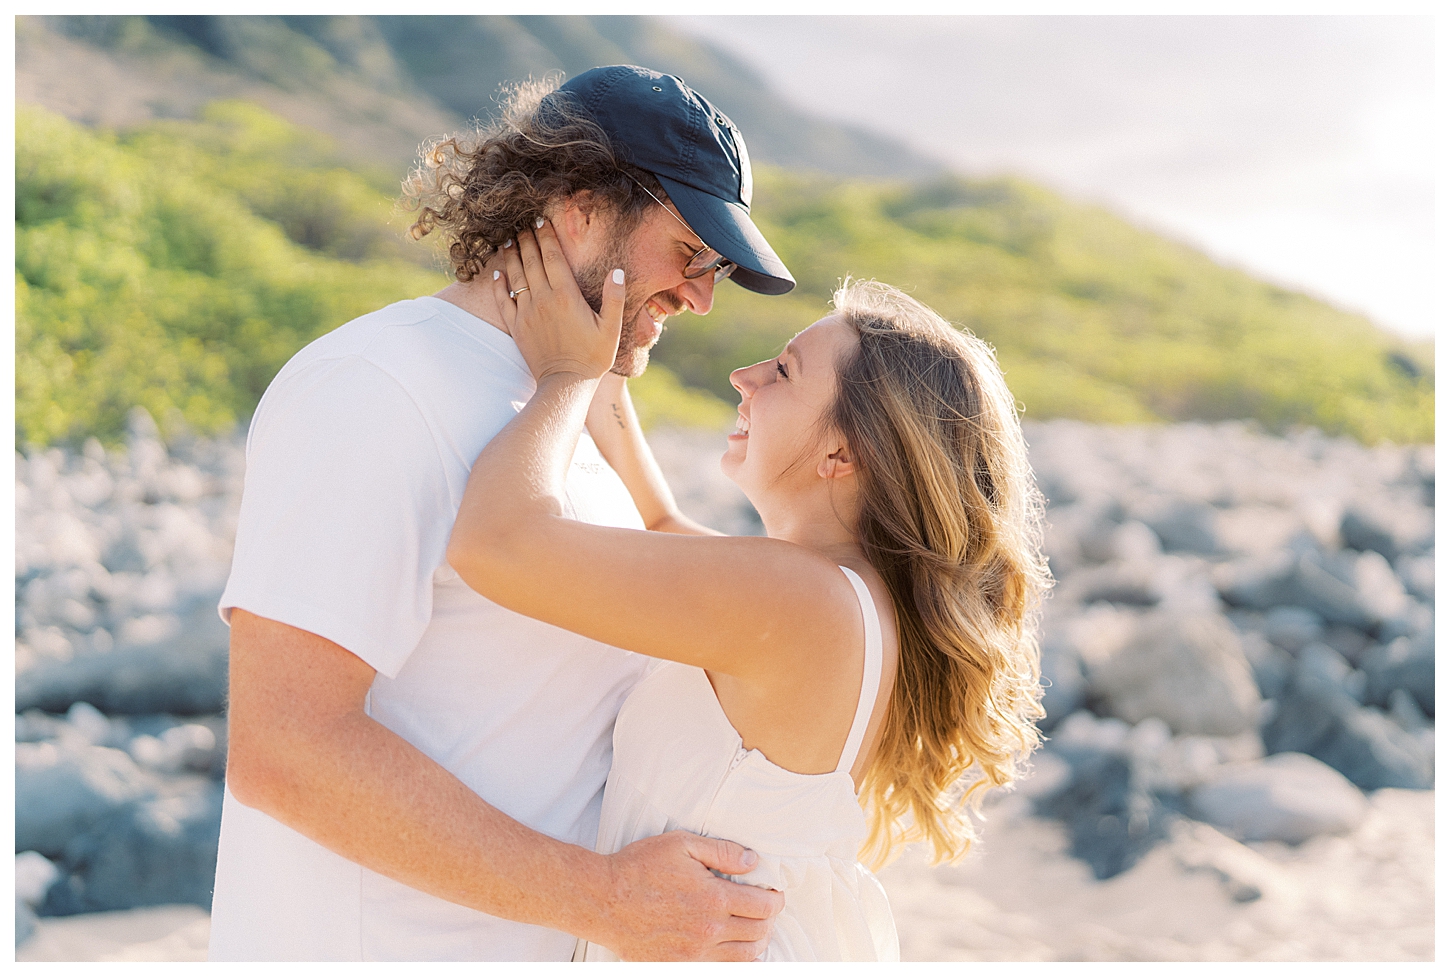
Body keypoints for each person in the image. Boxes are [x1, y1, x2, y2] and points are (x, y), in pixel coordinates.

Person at [209, 65, 798, 961]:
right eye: (691, 253)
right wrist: (604, 899)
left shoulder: (559, 408)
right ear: (581, 207)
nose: (702, 297)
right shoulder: (375, 386)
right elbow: (285, 745)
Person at [447, 222, 1052, 960]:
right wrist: (610, 336)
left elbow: (496, 544)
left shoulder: (798, 599)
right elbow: (659, 518)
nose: (745, 376)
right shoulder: (833, 596)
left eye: (786, 372)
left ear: (843, 452)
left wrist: (565, 377)